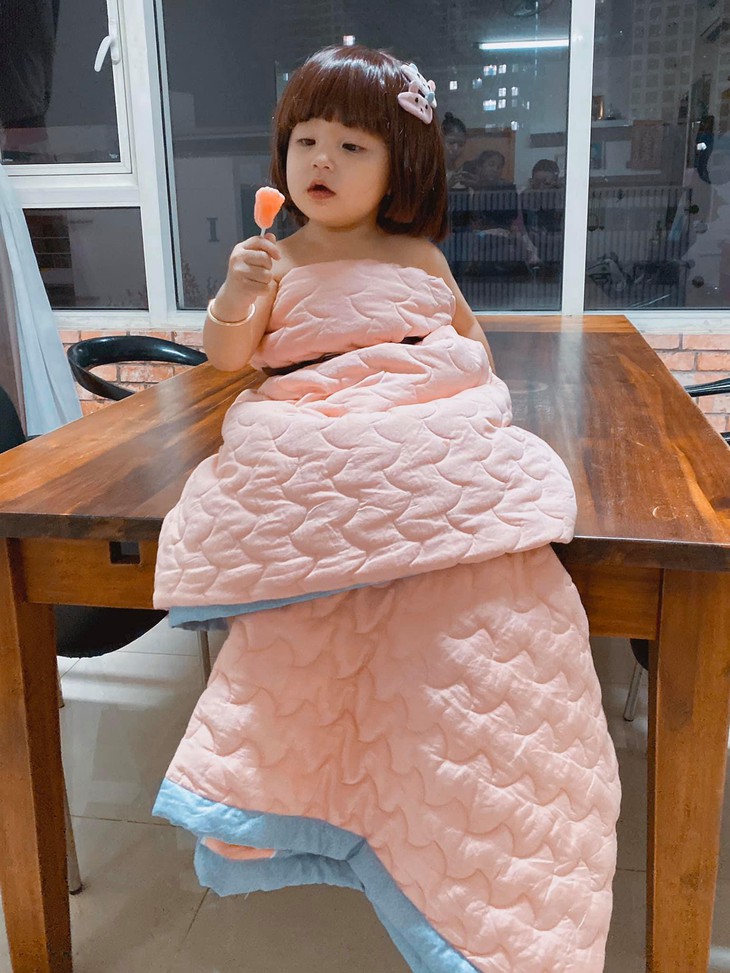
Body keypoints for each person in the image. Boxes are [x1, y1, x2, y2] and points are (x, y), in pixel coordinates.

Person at [153, 45, 620, 973]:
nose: (321, 160)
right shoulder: (277, 258)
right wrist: (239, 291)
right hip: (313, 420)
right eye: (306, 141)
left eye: (352, 145)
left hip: (421, 416)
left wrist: (452, 402)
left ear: (400, 168)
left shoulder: (418, 255)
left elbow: (470, 351)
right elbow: (229, 359)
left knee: (493, 574)